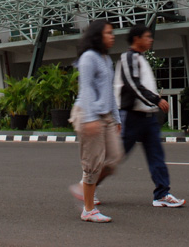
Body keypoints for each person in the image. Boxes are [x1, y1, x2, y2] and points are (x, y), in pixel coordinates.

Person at [114, 24, 186, 208]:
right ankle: (89, 186)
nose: (150, 39)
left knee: (156, 156)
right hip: (132, 116)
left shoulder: (142, 58)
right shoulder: (128, 57)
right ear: (137, 38)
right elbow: (133, 85)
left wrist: (153, 105)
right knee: (115, 157)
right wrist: (156, 99)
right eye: (147, 36)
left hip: (148, 118)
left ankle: (162, 194)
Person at [68, 19, 123, 223]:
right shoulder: (88, 57)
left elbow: (109, 90)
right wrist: (90, 119)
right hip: (89, 113)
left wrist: (116, 118)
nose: (112, 36)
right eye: (109, 33)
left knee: (113, 159)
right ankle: (88, 209)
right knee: (93, 163)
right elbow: (87, 89)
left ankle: (83, 188)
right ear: (97, 35)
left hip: (106, 115)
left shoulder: (106, 59)